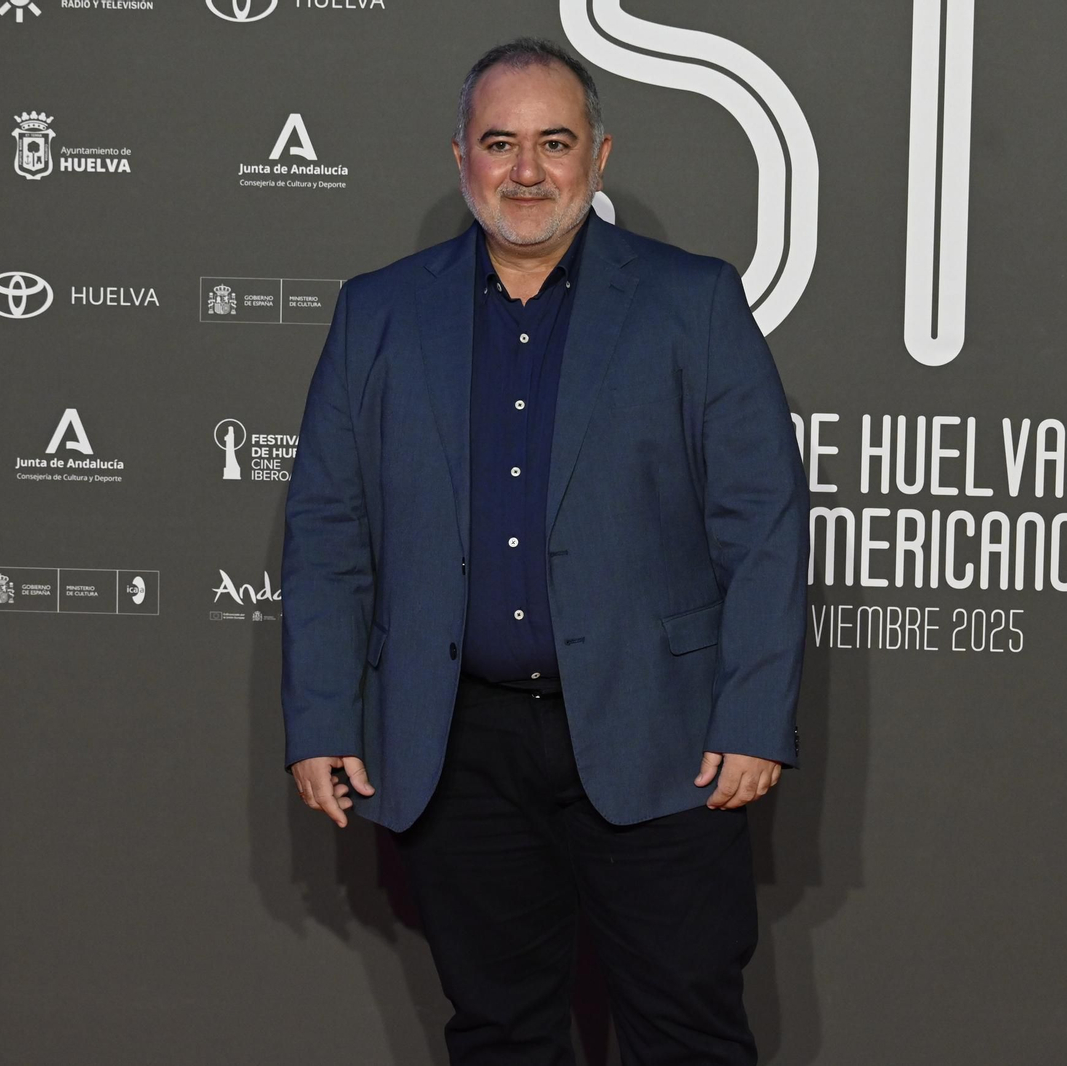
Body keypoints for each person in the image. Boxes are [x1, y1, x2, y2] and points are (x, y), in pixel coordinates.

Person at [281, 36, 809, 1065]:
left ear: (599, 156)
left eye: (553, 142)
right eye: (500, 142)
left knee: (688, 1033)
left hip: (665, 739)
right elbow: (327, 530)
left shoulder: (690, 302)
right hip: (457, 747)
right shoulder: (377, 312)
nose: (527, 170)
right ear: (460, 156)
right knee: (499, 1032)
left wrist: (754, 713)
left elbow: (763, 523)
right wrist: (321, 715)